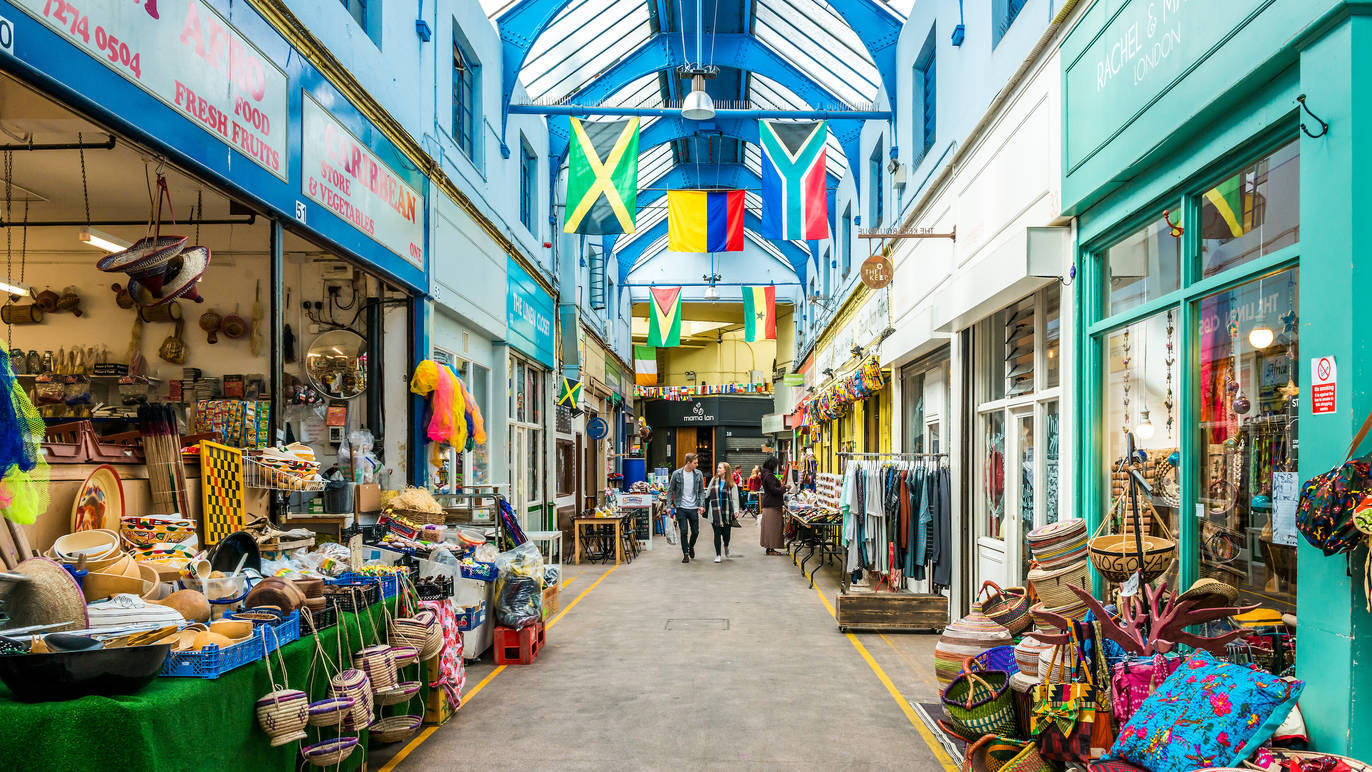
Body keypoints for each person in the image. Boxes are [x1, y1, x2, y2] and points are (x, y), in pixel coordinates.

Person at [667, 452, 705, 563]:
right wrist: (669, 506)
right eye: (695, 463)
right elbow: (670, 491)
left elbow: (702, 491)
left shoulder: (698, 474)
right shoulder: (676, 474)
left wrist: (701, 505)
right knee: (683, 531)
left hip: (693, 507)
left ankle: (691, 546)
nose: (697, 465)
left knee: (695, 532)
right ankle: (685, 554)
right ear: (688, 463)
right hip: (681, 507)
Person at [704, 461, 739, 563]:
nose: (717, 469)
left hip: (727, 512)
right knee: (717, 533)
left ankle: (726, 546)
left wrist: (736, 511)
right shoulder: (714, 480)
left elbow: (735, 499)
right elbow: (707, 494)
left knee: (726, 535)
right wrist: (702, 506)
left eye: (720, 468)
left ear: (725, 470)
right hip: (715, 511)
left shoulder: (732, 484)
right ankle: (718, 555)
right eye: (718, 468)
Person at [759, 455, 787, 555]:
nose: (776, 466)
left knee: (770, 527)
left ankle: (770, 548)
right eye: (775, 465)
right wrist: (785, 488)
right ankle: (770, 549)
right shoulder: (769, 475)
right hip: (772, 504)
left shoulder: (765, 474)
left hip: (770, 504)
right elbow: (774, 490)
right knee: (772, 527)